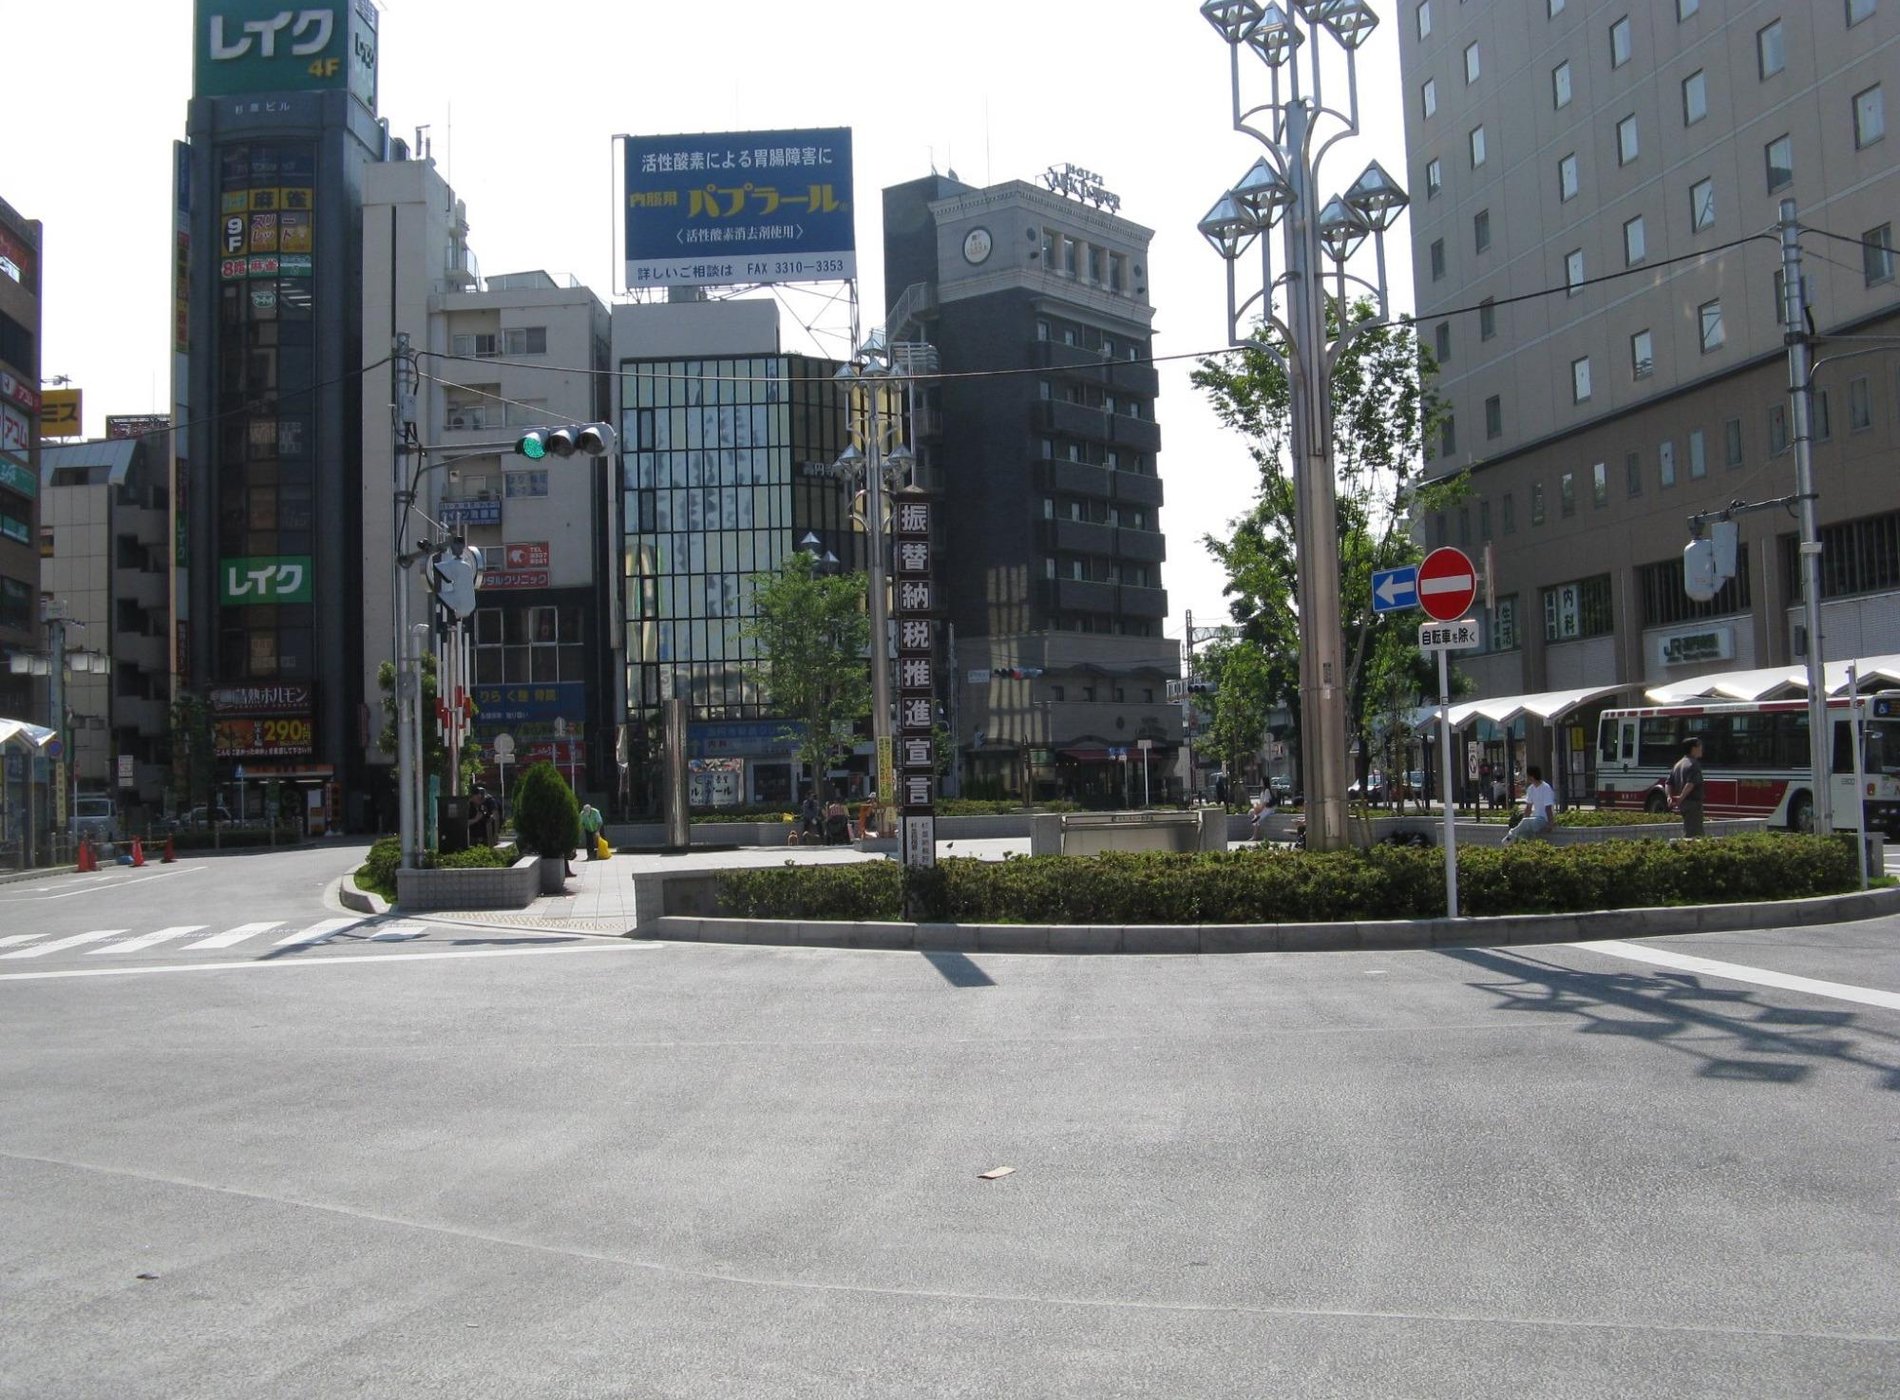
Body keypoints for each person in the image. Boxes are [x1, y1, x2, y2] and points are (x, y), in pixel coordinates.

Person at [1503, 764, 1557, 845]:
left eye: (1527, 776)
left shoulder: (1546, 788)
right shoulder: (1531, 789)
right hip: (1534, 819)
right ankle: (1525, 848)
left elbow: (1548, 808)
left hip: (1543, 819)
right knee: (1524, 833)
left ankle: (1510, 835)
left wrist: (1550, 823)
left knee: (1525, 823)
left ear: (1532, 777)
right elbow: (1528, 808)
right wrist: (1523, 820)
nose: (1526, 778)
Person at [1669, 735, 1705, 837]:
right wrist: (1681, 797)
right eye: (1700, 746)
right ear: (1693, 748)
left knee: (1688, 829)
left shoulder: (1678, 764)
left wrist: (1669, 797)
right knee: (1695, 834)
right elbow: (1690, 784)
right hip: (1693, 804)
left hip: (1684, 805)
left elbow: (1668, 783)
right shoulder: (1694, 764)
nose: (1702, 748)